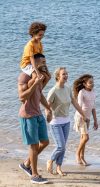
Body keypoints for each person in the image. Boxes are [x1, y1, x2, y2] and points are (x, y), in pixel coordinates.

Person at [46, 67, 87, 176]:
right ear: (57, 76)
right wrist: (48, 116)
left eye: (67, 74)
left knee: (63, 147)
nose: (66, 76)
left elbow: (74, 103)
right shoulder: (53, 91)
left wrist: (83, 115)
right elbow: (47, 106)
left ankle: (59, 167)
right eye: (64, 74)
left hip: (66, 122)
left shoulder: (68, 88)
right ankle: (50, 160)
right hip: (55, 122)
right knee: (61, 146)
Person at [18, 53, 51, 184]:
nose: (44, 64)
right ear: (34, 63)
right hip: (28, 114)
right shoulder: (24, 76)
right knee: (34, 145)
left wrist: (48, 108)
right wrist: (35, 82)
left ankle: (26, 163)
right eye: (42, 61)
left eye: (45, 61)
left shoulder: (39, 77)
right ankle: (34, 174)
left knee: (45, 142)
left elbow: (39, 94)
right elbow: (22, 97)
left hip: (38, 114)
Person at [73, 74, 99, 166]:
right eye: (90, 82)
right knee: (86, 138)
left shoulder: (93, 92)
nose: (92, 84)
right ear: (84, 84)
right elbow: (79, 106)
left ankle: (82, 157)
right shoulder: (82, 92)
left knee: (83, 138)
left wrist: (95, 121)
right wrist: (83, 116)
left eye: (93, 82)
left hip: (88, 118)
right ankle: (77, 154)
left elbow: (93, 107)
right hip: (80, 117)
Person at [20, 22, 51, 87]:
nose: (42, 37)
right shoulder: (30, 45)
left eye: (43, 35)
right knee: (36, 76)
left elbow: (42, 59)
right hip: (26, 64)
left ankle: (39, 91)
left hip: (35, 63)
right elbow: (32, 60)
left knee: (48, 77)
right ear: (34, 34)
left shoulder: (39, 43)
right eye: (40, 35)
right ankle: (30, 89)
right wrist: (37, 72)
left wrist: (47, 70)